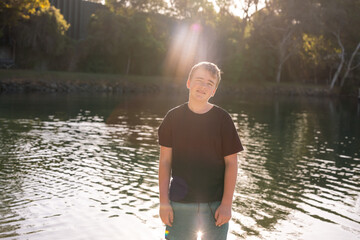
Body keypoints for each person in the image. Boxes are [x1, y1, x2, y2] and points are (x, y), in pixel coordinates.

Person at [158, 62, 243, 240]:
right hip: (179, 205)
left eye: (210, 83)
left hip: (215, 206)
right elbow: (165, 162)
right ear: (188, 82)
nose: (203, 86)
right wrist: (164, 203)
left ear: (214, 91)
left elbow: (231, 163)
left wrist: (227, 204)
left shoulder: (223, 120)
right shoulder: (172, 118)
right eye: (199, 80)